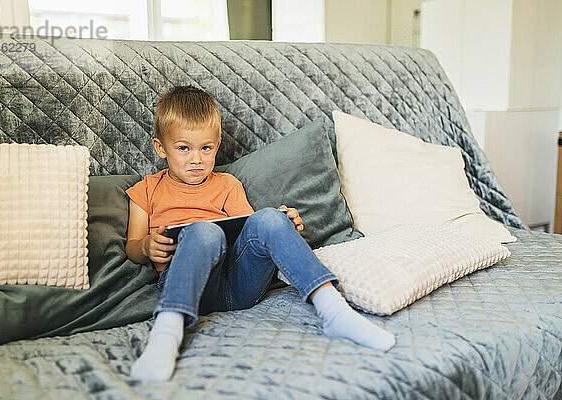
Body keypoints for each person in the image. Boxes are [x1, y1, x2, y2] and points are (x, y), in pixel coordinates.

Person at [125, 85, 396, 381]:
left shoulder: (227, 185)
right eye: (183, 148)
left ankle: (334, 312)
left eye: (206, 148)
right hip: (188, 287)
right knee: (205, 233)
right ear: (160, 147)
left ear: (217, 145)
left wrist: (281, 224)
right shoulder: (147, 190)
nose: (196, 160)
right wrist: (147, 247)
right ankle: (167, 332)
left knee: (268, 218)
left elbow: (248, 229)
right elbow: (132, 247)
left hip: (239, 286)